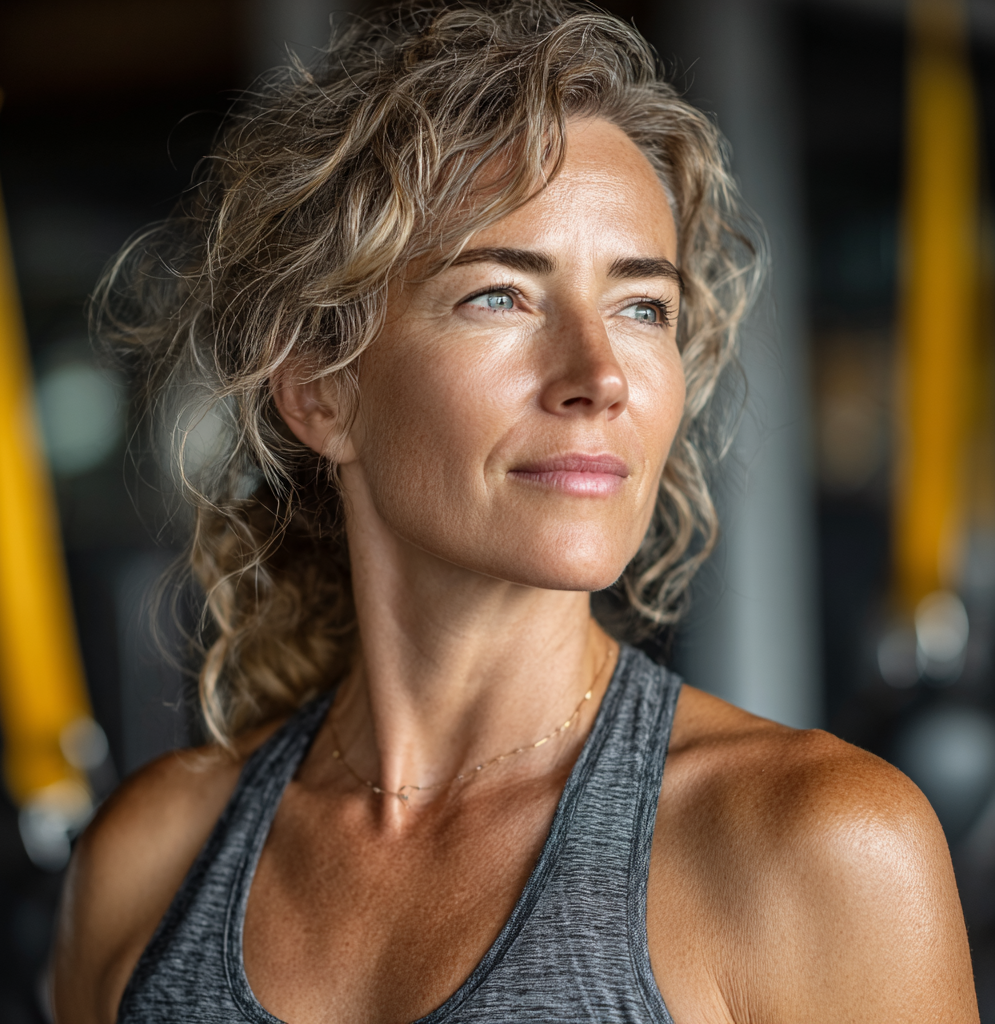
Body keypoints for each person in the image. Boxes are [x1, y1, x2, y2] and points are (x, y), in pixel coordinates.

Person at [52, 2, 978, 1021]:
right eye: (501, 295)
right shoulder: (152, 862)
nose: (598, 377)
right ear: (318, 387)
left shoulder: (817, 850)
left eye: (640, 307)